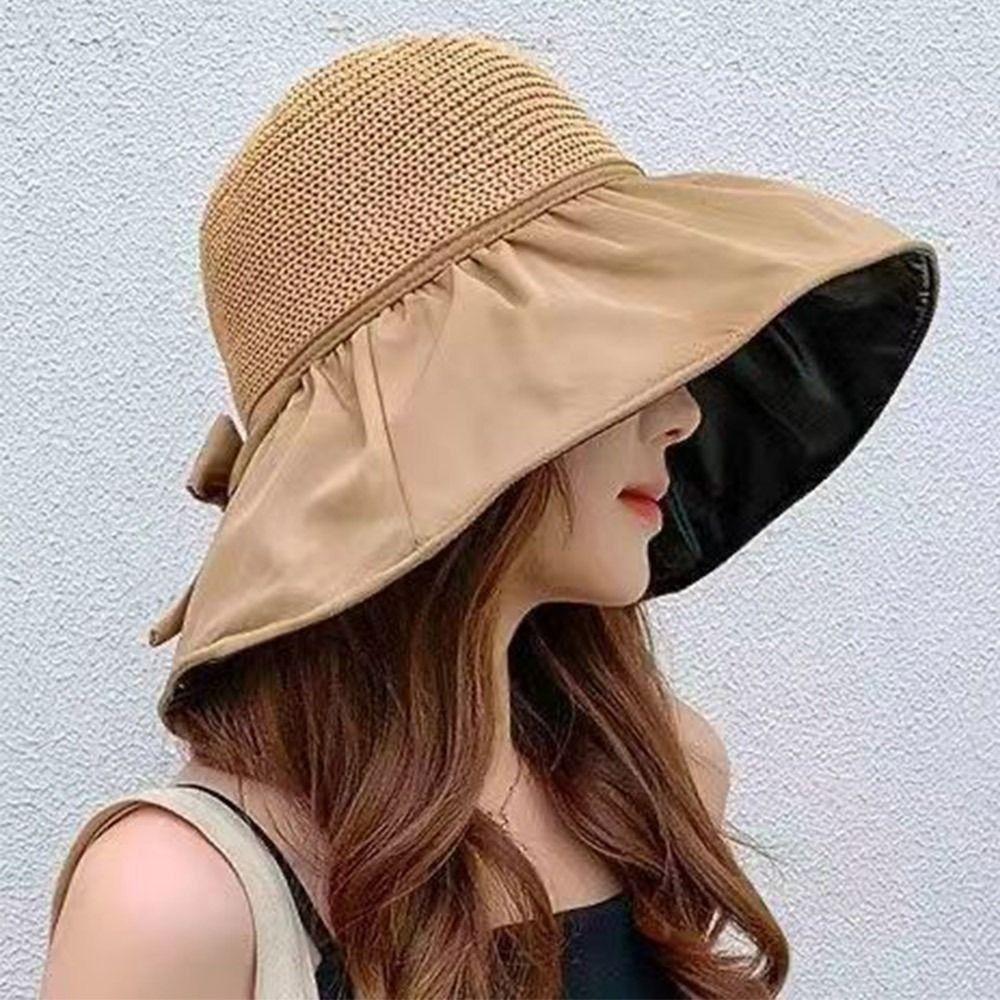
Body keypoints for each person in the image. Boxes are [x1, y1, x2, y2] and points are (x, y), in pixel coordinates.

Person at [40, 31, 938, 1000]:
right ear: (451, 412)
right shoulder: (171, 901)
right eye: (612, 357)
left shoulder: (657, 783)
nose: (682, 414)